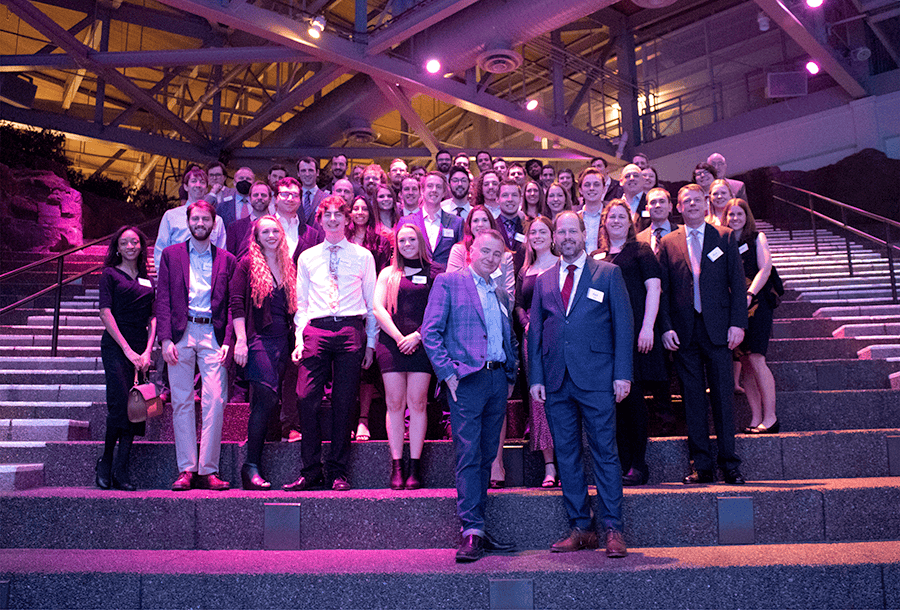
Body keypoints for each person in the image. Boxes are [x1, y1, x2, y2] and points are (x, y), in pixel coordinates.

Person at [528, 211, 633, 558]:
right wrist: (537, 378)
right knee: (568, 456)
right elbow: (537, 333)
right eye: (562, 231)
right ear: (555, 237)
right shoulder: (543, 280)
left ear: (584, 234)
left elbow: (623, 327)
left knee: (605, 452)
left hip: (598, 378)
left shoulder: (609, 274)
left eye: (573, 230)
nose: (567, 236)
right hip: (556, 381)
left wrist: (623, 374)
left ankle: (613, 528)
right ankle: (582, 528)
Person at [422, 229, 518, 563]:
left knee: (488, 455)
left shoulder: (500, 292)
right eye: (486, 252)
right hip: (466, 381)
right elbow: (430, 332)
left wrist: (511, 375)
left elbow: (509, 337)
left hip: (496, 380)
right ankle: (471, 530)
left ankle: (477, 528)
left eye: (497, 255)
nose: (491, 258)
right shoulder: (449, 282)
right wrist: (447, 373)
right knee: (468, 455)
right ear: (471, 250)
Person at [284, 195, 377, 492]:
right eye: (328, 214)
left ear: (347, 219)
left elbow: (372, 303)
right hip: (317, 329)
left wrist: (371, 343)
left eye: (339, 214)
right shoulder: (307, 256)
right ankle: (311, 471)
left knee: (344, 402)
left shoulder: (363, 256)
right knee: (305, 397)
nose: (334, 219)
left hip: (351, 328)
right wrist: (299, 339)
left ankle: (338, 471)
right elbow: (302, 303)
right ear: (320, 219)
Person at [658, 184, 748, 485]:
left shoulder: (723, 236)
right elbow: (666, 291)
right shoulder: (669, 242)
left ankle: (729, 464)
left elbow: (737, 283)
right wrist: (666, 326)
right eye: (687, 201)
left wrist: (738, 324)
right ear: (678, 207)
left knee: (723, 398)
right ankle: (702, 465)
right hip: (684, 333)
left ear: (705, 204)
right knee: (692, 400)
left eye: (698, 200)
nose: (693, 205)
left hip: (720, 331)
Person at [157, 200, 237, 491]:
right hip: (181, 333)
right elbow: (162, 298)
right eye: (196, 219)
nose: (200, 223)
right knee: (181, 402)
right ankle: (187, 469)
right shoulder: (171, 255)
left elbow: (231, 304)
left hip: (212, 335)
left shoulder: (226, 259)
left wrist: (229, 339)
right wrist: (165, 339)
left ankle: (209, 469)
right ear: (188, 221)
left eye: (205, 219)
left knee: (215, 401)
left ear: (214, 224)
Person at [592, 199, 663, 486]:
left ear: (629, 222)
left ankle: (638, 464)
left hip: (634, 336)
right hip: (604, 340)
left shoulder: (641, 251)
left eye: (622, 216)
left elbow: (654, 289)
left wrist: (647, 327)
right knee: (613, 403)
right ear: (605, 222)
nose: (617, 221)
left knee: (633, 400)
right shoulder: (596, 256)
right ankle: (620, 464)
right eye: (612, 217)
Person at [230, 216, 297, 489]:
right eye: (265, 231)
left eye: (274, 231)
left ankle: (256, 463)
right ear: (256, 236)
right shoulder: (246, 264)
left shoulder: (287, 263)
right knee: (265, 399)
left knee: (272, 401)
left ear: (281, 234)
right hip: (258, 339)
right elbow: (236, 303)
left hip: (284, 341)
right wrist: (241, 341)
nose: (270, 235)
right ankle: (250, 467)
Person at [374, 224, 438, 489]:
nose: (407, 244)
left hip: (422, 344)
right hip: (392, 344)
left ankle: (415, 466)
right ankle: (397, 465)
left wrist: (417, 336)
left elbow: (438, 310)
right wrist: (400, 337)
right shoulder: (389, 272)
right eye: (402, 240)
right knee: (395, 404)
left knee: (418, 403)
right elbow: (377, 308)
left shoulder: (435, 273)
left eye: (412, 239)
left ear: (420, 241)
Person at [96, 226, 156, 491]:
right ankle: (106, 460)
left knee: (137, 408)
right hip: (116, 345)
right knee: (120, 404)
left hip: (140, 346)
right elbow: (105, 313)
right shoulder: (109, 274)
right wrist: (127, 350)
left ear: (141, 246)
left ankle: (122, 468)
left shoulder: (147, 280)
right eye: (125, 242)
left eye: (135, 242)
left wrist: (146, 351)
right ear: (117, 248)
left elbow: (153, 318)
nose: (130, 246)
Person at [725, 199, 778, 434]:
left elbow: (765, 268)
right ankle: (756, 416)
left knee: (756, 358)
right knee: (745, 363)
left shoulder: (757, 237)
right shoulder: (723, 240)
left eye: (739, 214)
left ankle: (771, 417)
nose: (735, 218)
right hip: (735, 308)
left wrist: (750, 293)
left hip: (757, 303)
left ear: (747, 216)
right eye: (730, 214)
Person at [513, 216, 558, 487]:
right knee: (538, 402)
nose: (537, 236)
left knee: (562, 398)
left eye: (542, 231)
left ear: (552, 236)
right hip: (533, 339)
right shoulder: (525, 270)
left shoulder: (564, 264)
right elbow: (518, 304)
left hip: (559, 338)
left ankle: (568, 461)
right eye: (533, 233)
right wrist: (527, 324)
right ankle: (549, 466)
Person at [347, 194, 393, 442]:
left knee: (367, 364)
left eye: (365, 208)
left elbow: (383, 274)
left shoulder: (381, 242)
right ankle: (347, 418)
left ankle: (363, 420)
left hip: (372, 304)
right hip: (346, 306)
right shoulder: (341, 240)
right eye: (356, 208)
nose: (360, 212)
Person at [154, 167, 226, 272]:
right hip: (176, 275)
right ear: (186, 187)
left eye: (202, 182)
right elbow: (161, 249)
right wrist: (163, 278)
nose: (198, 185)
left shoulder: (217, 220)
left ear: (206, 188)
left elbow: (221, 254)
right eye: (193, 181)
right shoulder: (171, 216)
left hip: (206, 278)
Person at [397, 171, 463, 268]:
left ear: (444, 192)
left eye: (439, 187)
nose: (434, 190)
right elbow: (398, 256)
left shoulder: (457, 222)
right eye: (430, 186)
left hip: (445, 279)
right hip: (415, 278)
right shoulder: (406, 221)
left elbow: (461, 256)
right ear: (422, 190)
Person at [446, 205, 515, 297]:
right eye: (475, 221)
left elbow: (509, 297)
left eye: (485, 220)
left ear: (491, 224)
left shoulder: (505, 256)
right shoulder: (459, 251)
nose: (480, 224)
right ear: (469, 225)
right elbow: (453, 286)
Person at [226, 181, 273, 260]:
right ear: (250, 198)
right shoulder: (234, 227)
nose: (259, 197)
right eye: (255, 195)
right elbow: (231, 259)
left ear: (270, 199)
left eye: (263, 195)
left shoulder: (278, 225)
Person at [297, 157, 326, 227]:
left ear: (317, 172)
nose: (307, 174)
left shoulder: (327, 198)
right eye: (303, 170)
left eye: (311, 170)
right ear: (298, 173)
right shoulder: (292, 198)